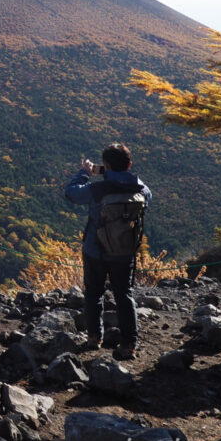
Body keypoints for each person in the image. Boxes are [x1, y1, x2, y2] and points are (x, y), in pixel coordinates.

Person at [64, 142, 151, 360]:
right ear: (130, 164)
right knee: (124, 295)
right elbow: (148, 195)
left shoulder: (98, 189)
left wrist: (85, 173)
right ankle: (129, 344)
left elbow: (72, 194)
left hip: (96, 249)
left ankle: (94, 338)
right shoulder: (140, 189)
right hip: (124, 252)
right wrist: (108, 171)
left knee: (93, 293)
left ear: (106, 164)